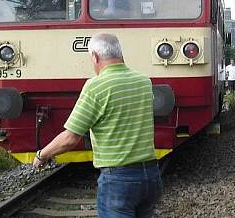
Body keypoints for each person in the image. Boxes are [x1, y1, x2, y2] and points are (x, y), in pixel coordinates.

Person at [32, 33, 162, 217]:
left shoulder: (96, 87)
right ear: (120, 54)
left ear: (94, 56)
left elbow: (70, 138)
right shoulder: (143, 81)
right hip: (150, 176)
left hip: (119, 180)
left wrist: (42, 155)